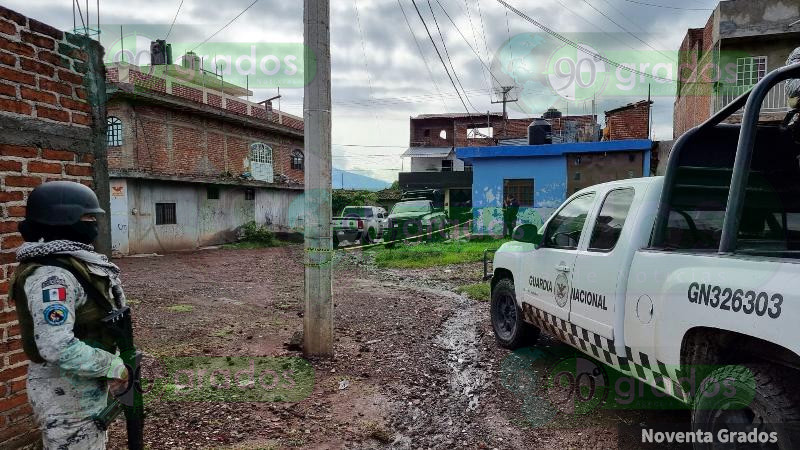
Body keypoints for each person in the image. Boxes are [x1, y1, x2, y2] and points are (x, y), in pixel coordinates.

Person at [10, 181, 130, 449]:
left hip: (83, 385)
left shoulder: (75, 263)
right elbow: (56, 345)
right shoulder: (53, 277)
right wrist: (114, 366)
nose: (94, 223)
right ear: (64, 218)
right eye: (88, 217)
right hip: (64, 393)